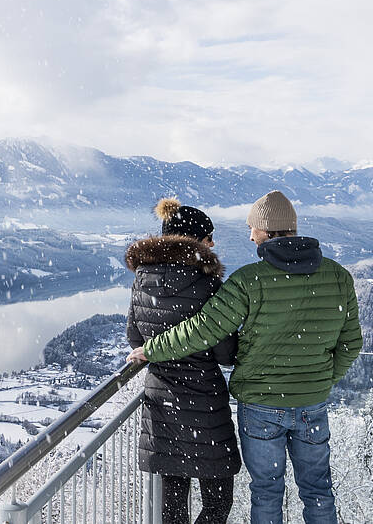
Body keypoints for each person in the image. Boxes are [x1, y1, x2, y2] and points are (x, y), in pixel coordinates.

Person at [128, 190, 363, 524]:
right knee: (318, 490)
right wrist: (319, 380)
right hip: (311, 404)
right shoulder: (338, 276)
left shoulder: (249, 280)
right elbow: (351, 344)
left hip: (259, 404)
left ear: (265, 231)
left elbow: (203, 330)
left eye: (252, 227)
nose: (250, 234)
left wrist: (152, 349)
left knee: (266, 491)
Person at [125, 198, 239, 524]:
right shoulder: (208, 285)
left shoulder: (142, 280)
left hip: (161, 408)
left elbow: (136, 341)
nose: (213, 244)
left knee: (173, 511)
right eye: (208, 237)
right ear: (193, 240)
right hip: (205, 409)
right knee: (217, 505)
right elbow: (226, 352)